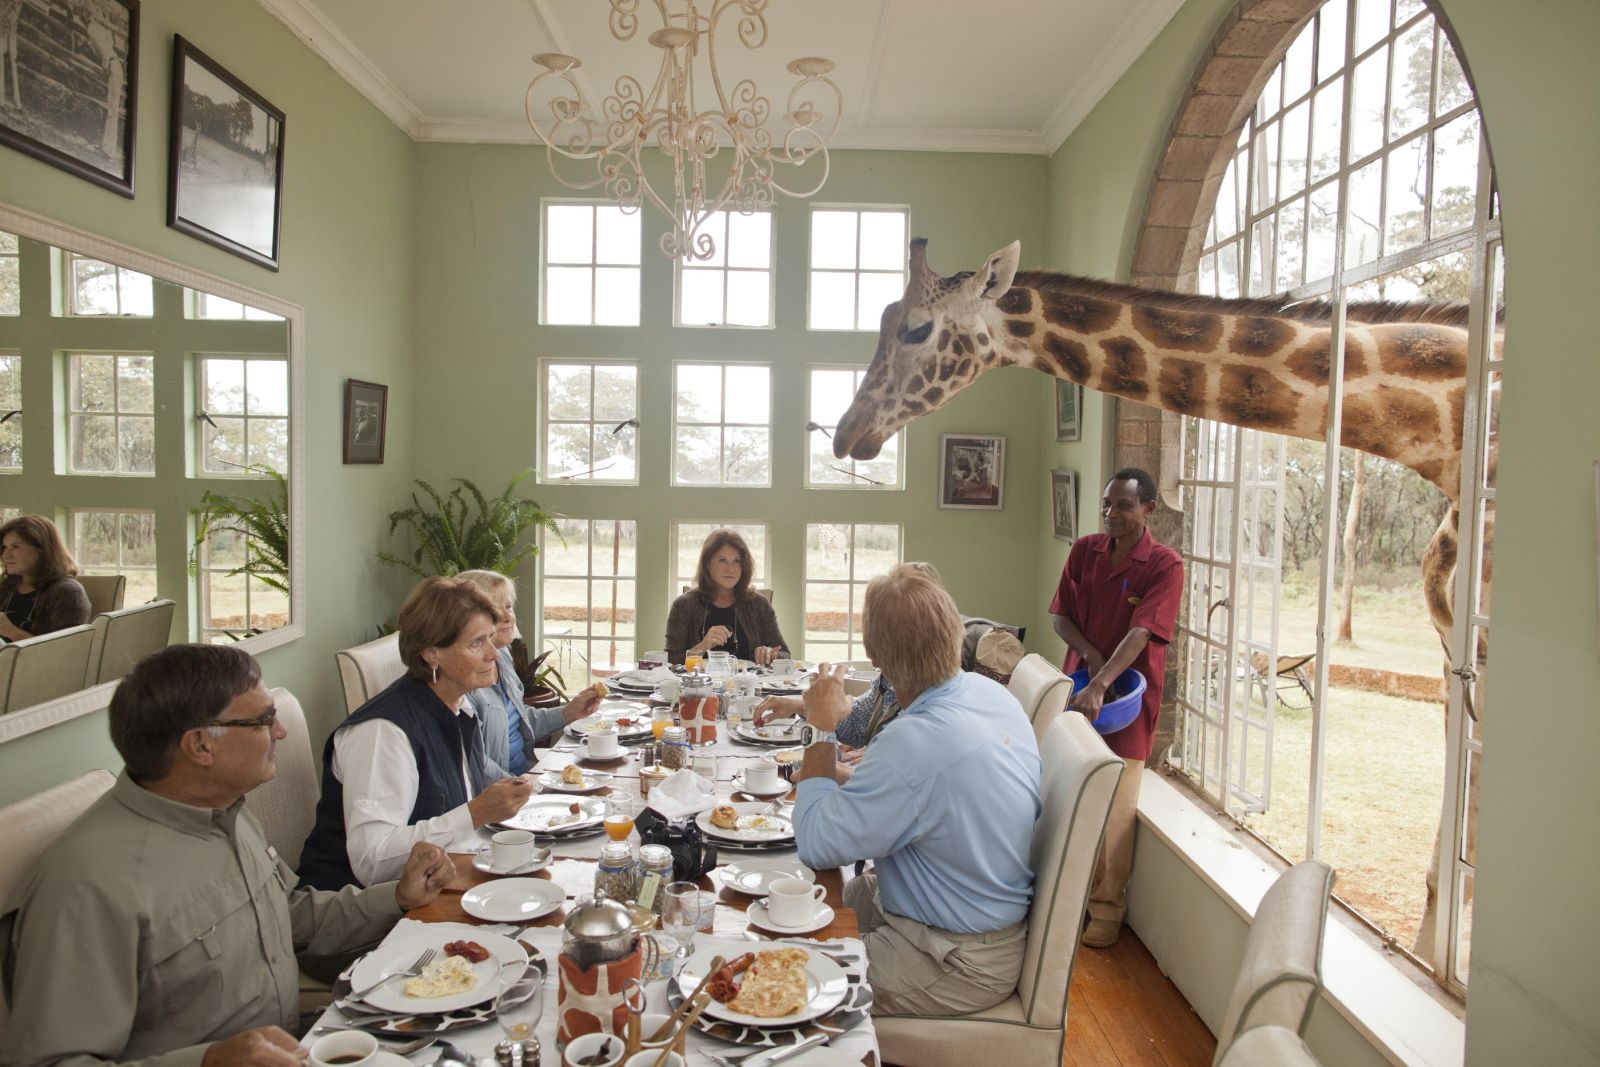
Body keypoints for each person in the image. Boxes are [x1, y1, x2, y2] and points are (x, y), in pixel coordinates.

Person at [0, 643, 453, 1067]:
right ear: (200, 745)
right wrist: (207, 1061)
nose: (282, 730)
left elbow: (289, 914)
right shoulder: (90, 884)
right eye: (263, 720)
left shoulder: (224, 811)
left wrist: (397, 896)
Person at [790, 565, 1040, 1016]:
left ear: (876, 656)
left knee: (794, 980)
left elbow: (813, 843)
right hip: (956, 914)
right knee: (785, 910)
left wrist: (820, 728)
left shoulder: (913, 742)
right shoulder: (990, 694)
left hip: (953, 959)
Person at [297, 576, 535, 890]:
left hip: (442, 883)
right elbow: (371, 861)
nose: (493, 654)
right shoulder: (382, 733)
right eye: (477, 642)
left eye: (491, 638)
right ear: (431, 653)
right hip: (368, 915)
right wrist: (477, 812)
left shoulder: (458, 708)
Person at [1050, 467, 1183, 949]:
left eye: (1124, 506)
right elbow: (1061, 615)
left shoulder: (1164, 565)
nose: (1112, 514)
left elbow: (1142, 632)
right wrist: (1089, 658)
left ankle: (1107, 907)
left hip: (1128, 700)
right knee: (1072, 791)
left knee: (1117, 808)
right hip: (1078, 689)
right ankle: (1066, 897)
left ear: (1148, 509)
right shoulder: (1085, 550)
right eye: (1107, 504)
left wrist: (1103, 683)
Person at [455, 569, 601, 775]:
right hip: (502, 791)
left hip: (526, 772)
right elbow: (474, 765)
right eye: (494, 609)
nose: (507, 616)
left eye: (508, 606)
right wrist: (524, 787)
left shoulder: (502, 655)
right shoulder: (463, 680)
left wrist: (569, 712)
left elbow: (519, 721)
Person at [664, 530, 787, 666]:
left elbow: (785, 654)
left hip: (749, 686)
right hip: (698, 686)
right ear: (707, 564)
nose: (731, 569)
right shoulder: (683, 605)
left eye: (737, 561)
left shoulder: (759, 604)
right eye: (722, 560)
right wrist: (702, 646)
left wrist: (770, 653)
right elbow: (671, 661)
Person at [0, 514, 92, 642]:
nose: (5, 555)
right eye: (4, 547)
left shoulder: (68, 592)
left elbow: (68, 651)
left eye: (16, 547)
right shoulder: (7, 585)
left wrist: (11, 632)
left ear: (42, 550)